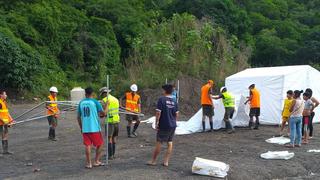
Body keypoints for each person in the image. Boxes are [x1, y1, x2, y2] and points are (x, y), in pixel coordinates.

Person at [148, 84, 179, 167]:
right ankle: (166, 161)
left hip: (164, 124)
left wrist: (156, 122)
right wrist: (174, 122)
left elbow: (158, 112)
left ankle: (153, 161)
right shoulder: (174, 101)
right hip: (172, 125)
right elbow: (176, 114)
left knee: (159, 141)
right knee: (169, 142)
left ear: (165, 91)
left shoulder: (161, 99)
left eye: (163, 90)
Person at [78, 87, 106, 169]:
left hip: (85, 128)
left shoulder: (81, 102)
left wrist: (81, 127)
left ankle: (89, 163)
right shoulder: (95, 102)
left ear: (85, 93)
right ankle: (96, 161)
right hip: (94, 128)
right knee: (100, 144)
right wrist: (107, 106)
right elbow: (103, 113)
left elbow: (78, 117)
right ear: (92, 93)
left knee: (87, 145)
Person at [100, 87, 120, 160]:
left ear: (104, 93)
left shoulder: (104, 100)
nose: (102, 96)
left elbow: (104, 113)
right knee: (114, 138)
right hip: (117, 120)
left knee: (109, 138)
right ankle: (113, 154)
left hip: (109, 121)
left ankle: (110, 155)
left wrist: (101, 115)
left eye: (102, 94)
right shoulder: (116, 99)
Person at [0, 90, 14, 155]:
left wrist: (11, 119)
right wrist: (3, 121)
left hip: (5, 122)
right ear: (1, 95)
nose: (6, 95)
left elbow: (7, 112)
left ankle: (5, 151)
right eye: (5, 94)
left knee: (6, 135)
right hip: (1, 123)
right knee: (2, 136)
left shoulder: (4, 102)